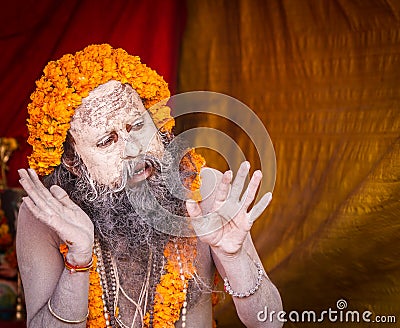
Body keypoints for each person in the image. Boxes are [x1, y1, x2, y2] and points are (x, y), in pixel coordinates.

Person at [16, 44, 282, 327]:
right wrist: (79, 259)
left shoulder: (207, 191)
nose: (133, 149)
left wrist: (234, 256)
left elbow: (271, 322)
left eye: (138, 126)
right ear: (72, 160)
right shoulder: (43, 217)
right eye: (108, 141)